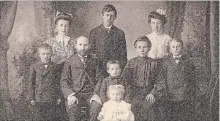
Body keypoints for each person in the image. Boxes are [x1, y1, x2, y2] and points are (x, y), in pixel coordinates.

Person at [60, 36, 104, 121]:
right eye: (80, 45)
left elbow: (100, 79)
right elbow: (64, 80)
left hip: (91, 94)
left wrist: (96, 94)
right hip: (75, 93)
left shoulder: (94, 61)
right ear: (75, 46)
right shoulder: (69, 61)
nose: (83, 48)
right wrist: (70, 95)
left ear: (89, 46)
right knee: (72, 107)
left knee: (97, 106)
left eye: (85, 45)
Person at [121, 36, 164, 121]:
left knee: (149, 108)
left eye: (145, 47)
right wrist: (129, 94)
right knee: (131, 108)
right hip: (134, 94)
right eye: (139, 47)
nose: (142, 50)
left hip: (149, 94)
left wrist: (153, 93)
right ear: (136, 49)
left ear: (149, 48)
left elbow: (160, 81)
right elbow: (124, 80)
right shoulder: (131, 63)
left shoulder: (154, 63)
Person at [157, 38, 195, 121]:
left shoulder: (188, 62)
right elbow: (162, 78)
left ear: (182, 48)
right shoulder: (165, 62)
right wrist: (164, 91)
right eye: (173, 47)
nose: (176, 49)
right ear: (170, 49)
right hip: (170, 95)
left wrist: (189, 90)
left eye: (178, 46)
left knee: (184, 116)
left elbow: (192, 78)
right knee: (172, 116)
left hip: (184, 95)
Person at [89, 4, 127, 77]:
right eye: (107, 15)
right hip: (99, 70)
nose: (109, 18)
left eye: (112, 16)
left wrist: (118, 70)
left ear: (115, 17)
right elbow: (91, 53)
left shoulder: (119, 33)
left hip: (114, 70)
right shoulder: (94, 32)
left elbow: (123, 56)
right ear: (102, 15)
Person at [28, 44, 61, 120]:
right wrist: (31, 97)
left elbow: (58, 83)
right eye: (43, 54)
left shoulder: (55, 66)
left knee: (51, 117)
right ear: (39, 55)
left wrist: (59, 97)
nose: (46, 56)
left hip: (51, 97)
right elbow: (31, 83)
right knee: (39, 117)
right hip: (39, 97)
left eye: (48, 54)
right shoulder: (34, 66)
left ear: (51, 54)